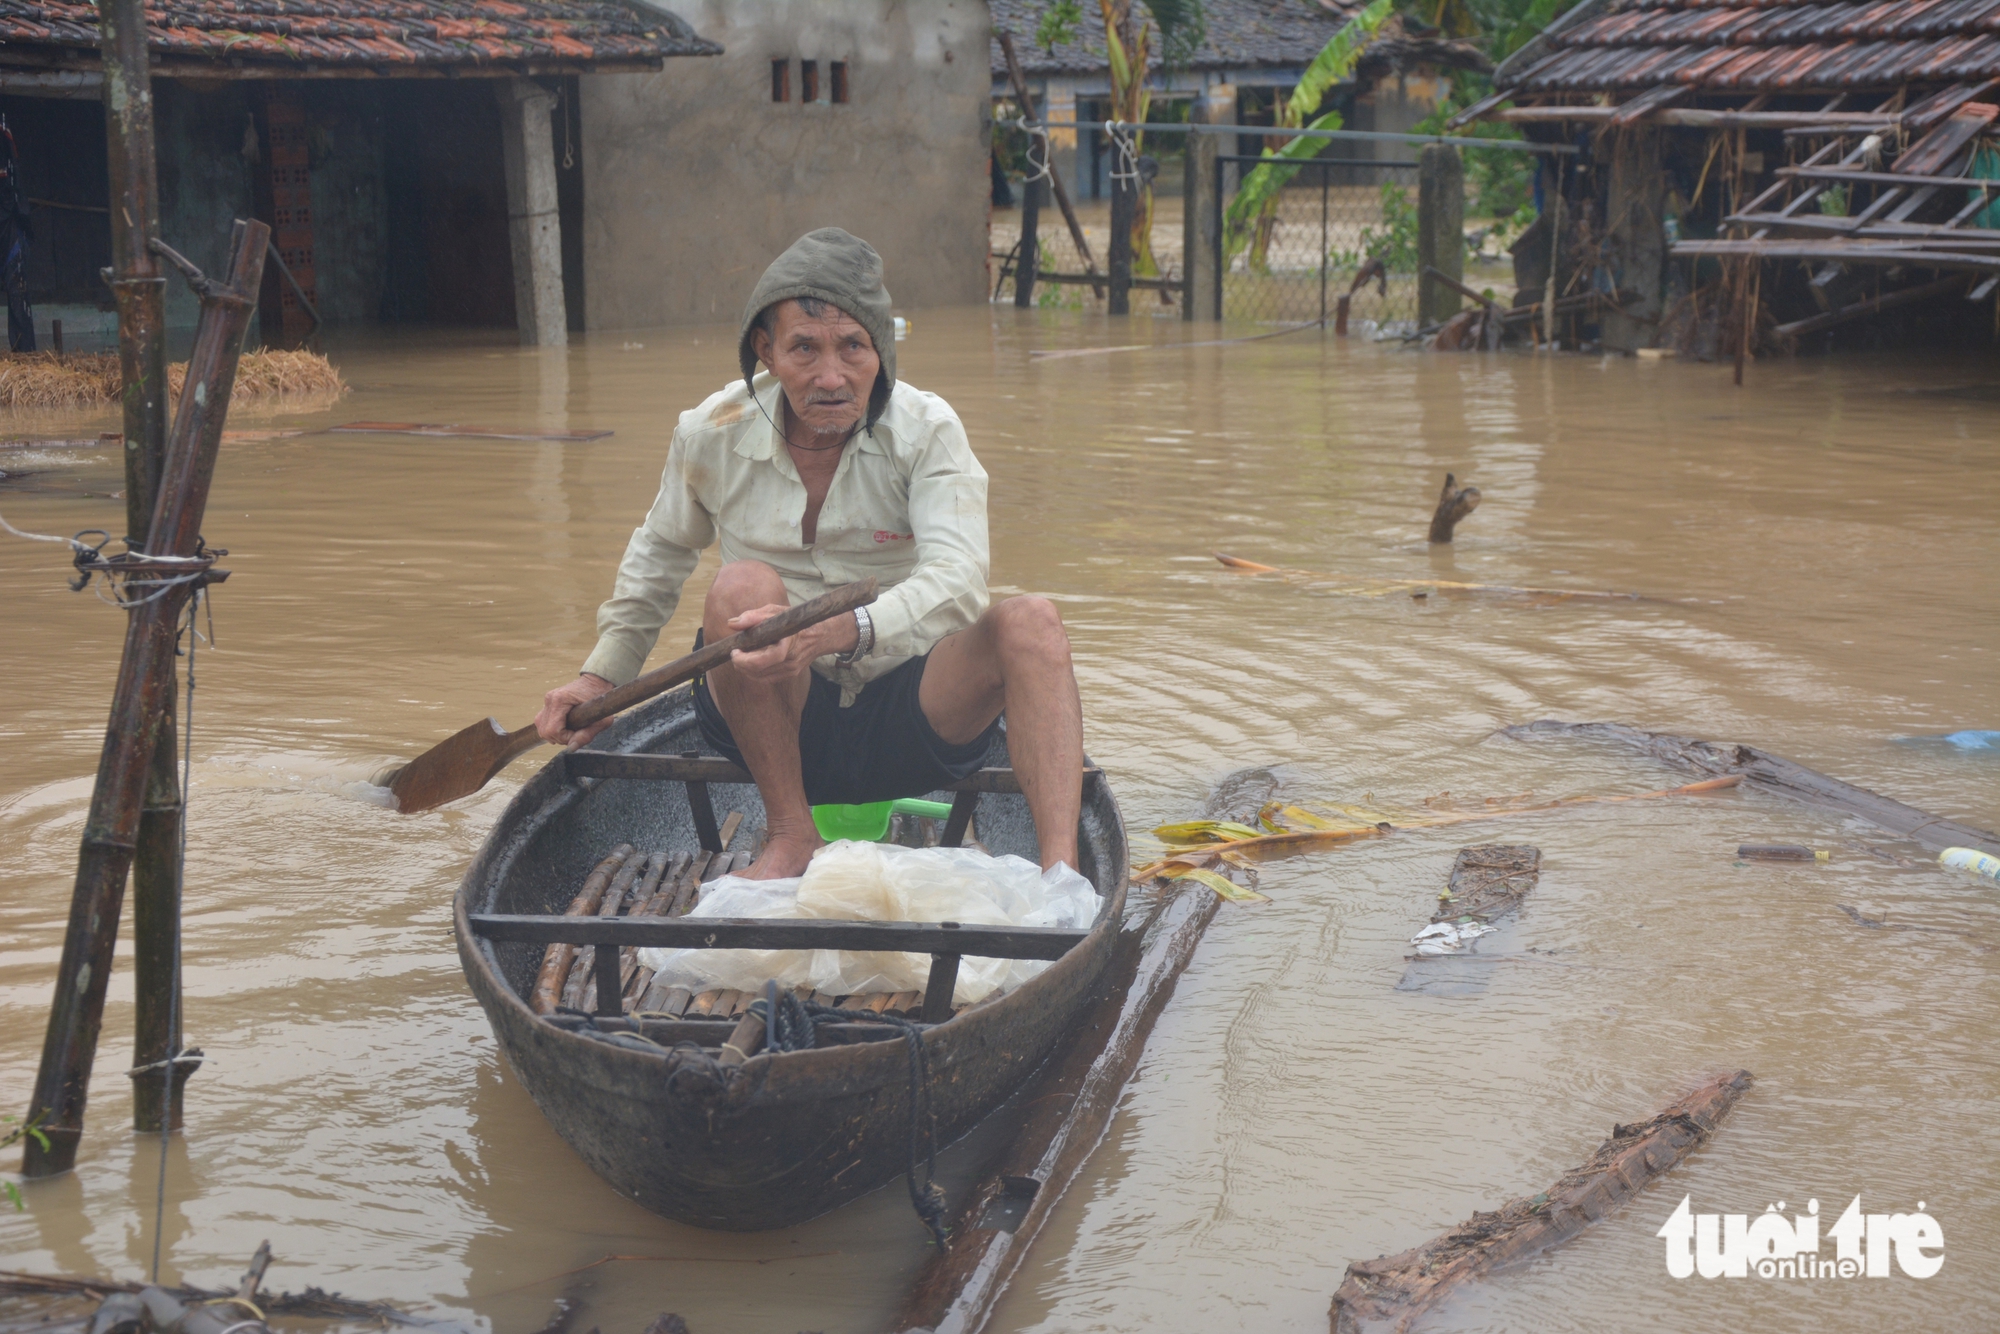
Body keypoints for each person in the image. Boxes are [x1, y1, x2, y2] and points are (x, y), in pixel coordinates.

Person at [536, 228, 1083, 879]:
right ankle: (792, 834)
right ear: (764, 350)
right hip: (774, 719)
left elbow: (959, 580)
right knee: (740, 587)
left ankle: (1062, 880)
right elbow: (659, 557)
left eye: (853, 346)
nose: (831, 376)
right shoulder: (710, 432)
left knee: (1034, 622)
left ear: (882, 349)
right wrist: (601, 677)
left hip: (913, 711)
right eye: (803, 348)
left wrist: (834, 632)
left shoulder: (928, 430)